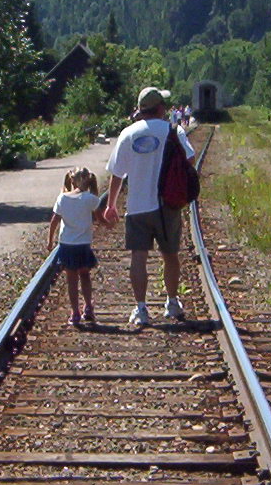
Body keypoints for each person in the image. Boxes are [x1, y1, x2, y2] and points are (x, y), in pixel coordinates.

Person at [103, 87, 195, 329]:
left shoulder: (128, 134)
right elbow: (190, 159)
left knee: (138, 257)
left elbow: (117, 174)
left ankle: (141, 309)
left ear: (140, 109)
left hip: (137, 206)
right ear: (161, 108)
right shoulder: (174, 131)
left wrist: (111, 204)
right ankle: (172, 303)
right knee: (170, 255)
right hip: (167, 205)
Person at [47, 166, 103, 326]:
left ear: (71, 180)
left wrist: (50, 241)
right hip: (83, 245)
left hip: (67, 245)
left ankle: (75, 312)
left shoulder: (62, 198)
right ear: (89, 180)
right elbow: (100, 219)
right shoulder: (91, 199)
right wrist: (110, 223)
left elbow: (54, 221)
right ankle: (88, 307)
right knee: (85, 276)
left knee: (71, 280)